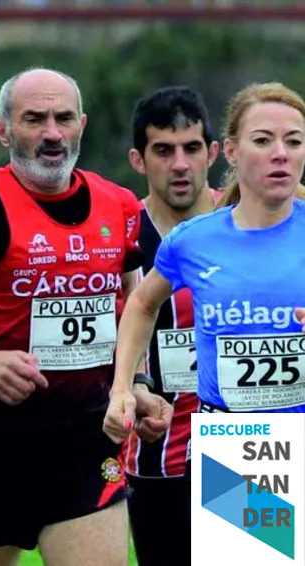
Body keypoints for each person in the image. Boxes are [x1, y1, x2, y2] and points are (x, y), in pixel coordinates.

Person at [0, 67, 171, 566]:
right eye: (34, 119)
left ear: (82, 124)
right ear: (3, 130)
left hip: (86, 436)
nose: (52, 134)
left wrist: (138, 384)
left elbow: (131, 309)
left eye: (64, 118)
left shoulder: (120, 205)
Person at [106, 81, 305, 448]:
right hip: (232, 444)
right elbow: (141, 303)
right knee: (245, 510)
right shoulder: (192, 240)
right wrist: (123, 387)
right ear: (230, 151)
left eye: (293, 141)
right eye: (262, 141)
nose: (281, 154)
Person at [119, 86, 222, 566]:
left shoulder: (248, 226)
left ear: (214, 153)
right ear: (139, 160)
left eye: (192, 148)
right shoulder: (119, 238)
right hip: (153, 461)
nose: (180, 164)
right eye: (164, 150)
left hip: (246, 454)